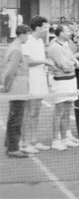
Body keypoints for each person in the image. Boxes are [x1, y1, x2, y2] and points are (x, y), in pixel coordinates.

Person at [47, 25, 79, 151]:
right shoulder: (55, 47)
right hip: (61, 83)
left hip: (71, 81)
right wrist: (73, 63)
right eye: (67, 31)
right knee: (59, 111)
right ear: (61, 33)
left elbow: (76, 64)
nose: (70, 32)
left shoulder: (66, 45)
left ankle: (65, 138)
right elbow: (66, 66)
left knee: (67, 110)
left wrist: (72, 63)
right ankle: (55, 140)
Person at [20, 16, 52, 153]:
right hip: (31, 81)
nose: (47, 30)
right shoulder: (28, 40)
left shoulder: (40, 41)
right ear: (38, 27)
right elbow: (28, 61)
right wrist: (44, 61)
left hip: (40, 81)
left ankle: (33, 140)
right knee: (29, 112)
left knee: (36, 111)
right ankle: (24, 142)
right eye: (45, 27)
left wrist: (45, 63)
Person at [2, 24, 31, 158]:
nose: (28, 38)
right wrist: (5, 87)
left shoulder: (16, 47)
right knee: (16, 119)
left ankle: (11, 145)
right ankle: (13, 148)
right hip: (18, 90)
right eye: (27, 35)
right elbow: (9, 71)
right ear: (22, 34)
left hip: (19, 89)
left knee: (14, 118)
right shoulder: (16, 50)